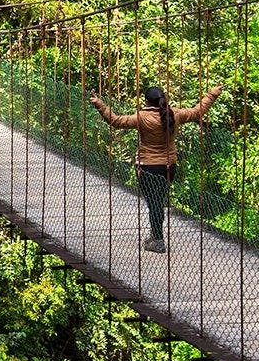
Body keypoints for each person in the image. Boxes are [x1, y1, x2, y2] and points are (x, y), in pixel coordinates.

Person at [88, 84, 222, 254]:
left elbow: (115, 120)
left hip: (148, 168)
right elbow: (198, 112)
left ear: (146, 101)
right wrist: (213, 94)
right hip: (168, 167)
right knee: (158, 201)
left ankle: (158, 240)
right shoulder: (174, 114)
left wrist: (98, 103)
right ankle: (155, 236)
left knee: (154, 203)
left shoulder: (142, 117)